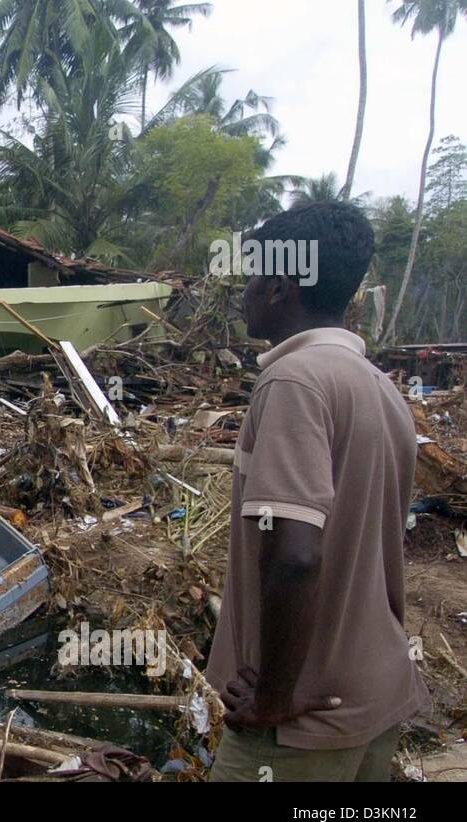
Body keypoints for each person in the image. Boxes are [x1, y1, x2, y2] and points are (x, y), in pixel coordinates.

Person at [206, 201, 429, 782]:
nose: (244, 293)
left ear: (279, 286)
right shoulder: (381, 390)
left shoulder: (293, 381)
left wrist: (275, 698)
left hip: (299, 727)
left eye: (251, 276)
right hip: (374, 697)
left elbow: (296, 554)